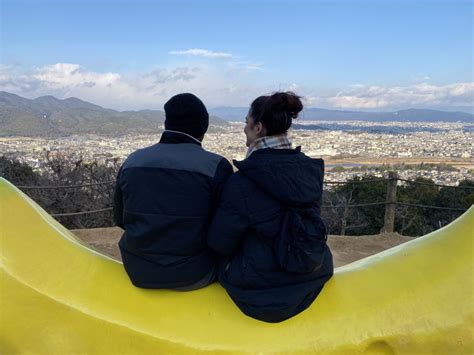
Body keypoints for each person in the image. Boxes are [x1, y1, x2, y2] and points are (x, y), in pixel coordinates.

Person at [207, 92, 333, 322]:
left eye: (247, 122)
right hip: (313, 274)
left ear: (258, 128)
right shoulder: (309, 170)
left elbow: (220, 242)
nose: (244, 128)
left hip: (259, 289)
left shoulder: (243, 182)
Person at [114, 93, 233, 291]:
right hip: (195, 272)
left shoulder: (132, 162)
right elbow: (223, 232)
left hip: (138, 268)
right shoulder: (216, 167)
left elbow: (119, 218)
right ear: (204, 128)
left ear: (166, 123)